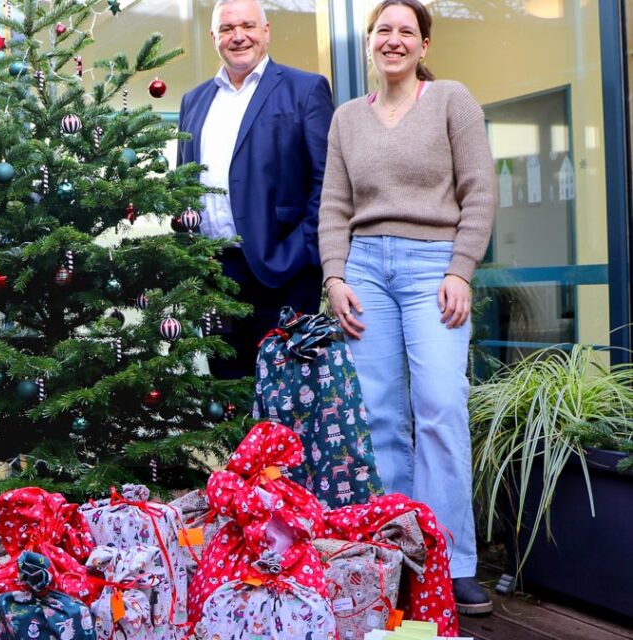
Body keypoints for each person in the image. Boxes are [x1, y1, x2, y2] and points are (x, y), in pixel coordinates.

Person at [318, 0, 496, 615]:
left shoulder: (451, 100)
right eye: (383, 31)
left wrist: (461, 269)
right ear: (369, 42)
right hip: (365, 269)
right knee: (377, 417)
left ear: (423, 45)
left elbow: (479, 191)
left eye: (407, 32)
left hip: (433, 268)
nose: (394, 40)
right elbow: (334, 206)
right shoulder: (347, 118)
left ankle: (452, 561)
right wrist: (335, 276)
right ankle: (394, 558)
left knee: (441, 406)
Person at [177, 0, 333, 380]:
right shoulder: (193, 101)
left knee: (286, 395)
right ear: (213, 37)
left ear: (266, 31)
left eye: (247, 25)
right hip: (215, 276)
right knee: (229, 392)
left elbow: (327, 181)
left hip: (284, 272)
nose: (238, 36)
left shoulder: (305, 89)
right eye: (227, 29)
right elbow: (183, 183)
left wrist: (304, 250)